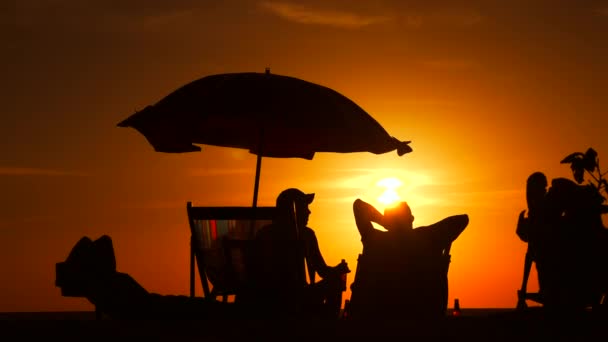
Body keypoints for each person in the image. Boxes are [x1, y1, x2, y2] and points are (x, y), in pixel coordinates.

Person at [56, 235, 239, 319]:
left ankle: (229, 312)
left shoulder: (111, 287)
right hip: (157, 308)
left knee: (196, 307)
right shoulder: (113, 287)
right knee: (199, 308)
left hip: (154, 305)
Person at [349, 198, 468, 319]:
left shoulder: (374, 239)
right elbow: (462, 220)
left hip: (373, 316)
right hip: (419, 316)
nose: (413, 219)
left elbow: (358, 206)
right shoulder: (426, 238)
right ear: (410, 219)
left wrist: (384, 222)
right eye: (410, 216)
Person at [252, 188, 350, 318]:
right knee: (336, 282)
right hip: (296, 297)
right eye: (304, 207)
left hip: (266, 297)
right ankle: (328, 328)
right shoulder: (306, 235)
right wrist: (338, 271)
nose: (309, 211)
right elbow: (323, 271)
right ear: (293, 211)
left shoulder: (264, 233)